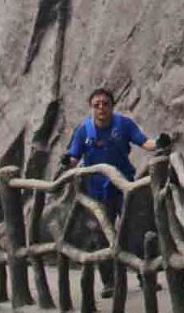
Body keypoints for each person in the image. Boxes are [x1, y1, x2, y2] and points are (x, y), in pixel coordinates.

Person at [63, 87, 157, 262]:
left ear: (112, 107)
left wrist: (160, 143)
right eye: (96, 105)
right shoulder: (83, 131)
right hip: (97, 191)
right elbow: (73, 158)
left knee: (134, 227)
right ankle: (108, 282)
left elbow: (145, 142)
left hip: (123, 187)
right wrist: (66, 161)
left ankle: (143, 272)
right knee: (101, 233)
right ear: (91, 108)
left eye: (105, 104)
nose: (101, 108)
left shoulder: (124, 125)